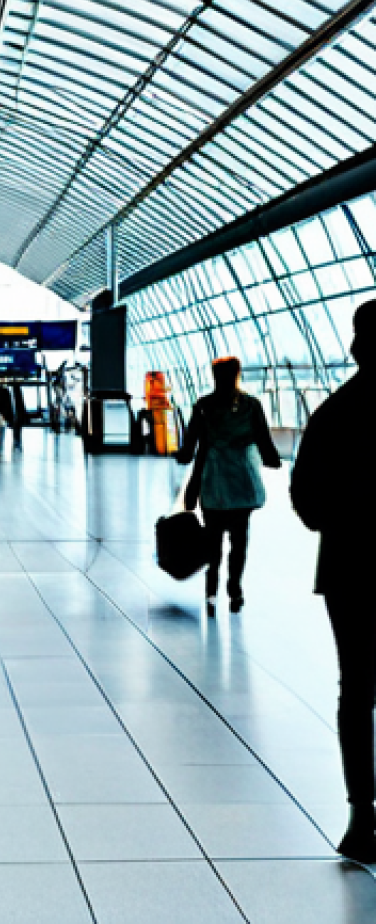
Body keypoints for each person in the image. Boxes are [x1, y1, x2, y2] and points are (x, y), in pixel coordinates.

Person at [291, 298, 376, 863]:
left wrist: (339, 521)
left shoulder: (334, 411)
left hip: (348, 568)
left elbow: (304, 495)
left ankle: (360, 815)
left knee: (357, 690)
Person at [177, 356, 281, 615]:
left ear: (214, 376)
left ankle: (211, 592)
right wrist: (273, 460)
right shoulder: (251, 406)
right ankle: (235, 589)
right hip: (242, 484)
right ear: (238, 374)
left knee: (212, 540)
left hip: (213, 484)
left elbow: (191, 450)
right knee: (239, 541)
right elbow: (265, 443)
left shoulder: (203, 406)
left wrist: (183, 462)